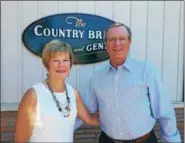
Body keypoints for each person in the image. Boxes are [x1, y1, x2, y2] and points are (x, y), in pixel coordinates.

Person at [76, 22, 181, 143]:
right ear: (106, 44)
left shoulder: (146, 71)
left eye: (122, 39)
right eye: (112, 39)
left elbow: (164, 112)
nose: (117, 43)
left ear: (129, 42)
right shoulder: (97, 78)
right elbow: (85, 110)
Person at [14, 40, 100, 142]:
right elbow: (20, 140)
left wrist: (116, 117)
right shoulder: (33, 95)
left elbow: (89, 119)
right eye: (55, 60)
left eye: (65, 60)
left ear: (70, 63)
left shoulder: (73, 93)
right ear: (47, 64)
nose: (61, 65)